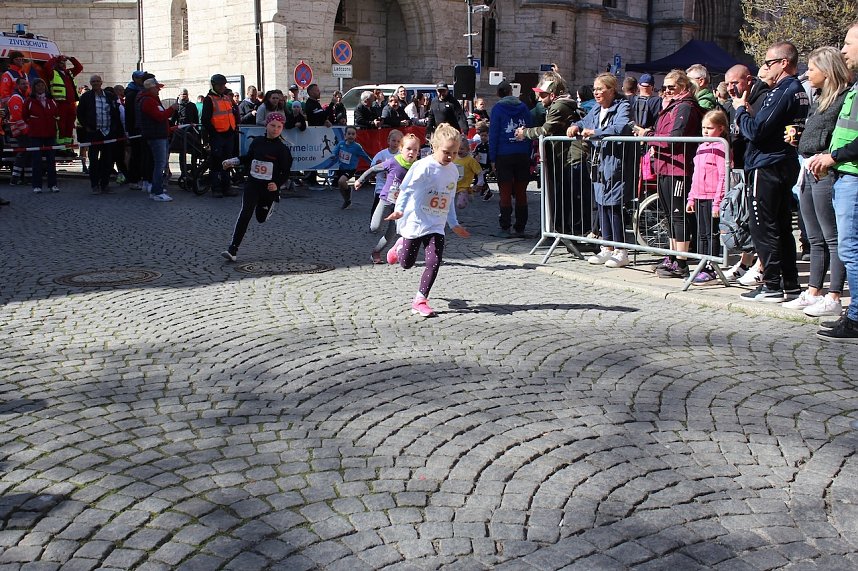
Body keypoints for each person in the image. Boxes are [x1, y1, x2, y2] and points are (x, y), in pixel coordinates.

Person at [733, 41, 809, 302]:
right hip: (778, 162)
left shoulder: (785, 91)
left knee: (764, 228)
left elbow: (756, 130)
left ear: (783, 63)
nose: (764, 67)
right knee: (781, 226)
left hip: (768, 165)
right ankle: (789, 284)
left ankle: (773, 284)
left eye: (768, 62)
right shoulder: (790, 90)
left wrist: (740, 111)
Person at [782, 46, 851, 318]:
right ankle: (813, 291)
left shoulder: (843, 98)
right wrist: (799, 137)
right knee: (813, 236)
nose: (806, 73)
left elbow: (834, 137)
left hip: (825, 170)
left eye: (811, 68)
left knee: (831, 236)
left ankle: (834, 294)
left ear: (826, 69)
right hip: (807, 167)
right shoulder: (820, 97)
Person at [384, 123, 471, 318]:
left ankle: (420, 300)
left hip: (436, 224)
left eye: (455, 153)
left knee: (434, 261)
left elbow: (448, 200)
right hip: (416, 221)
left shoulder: (453, 171)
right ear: (434, 147)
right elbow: (406, 189)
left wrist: (454, 224)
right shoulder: (422, 166)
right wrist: (399, 211)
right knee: (406, 263)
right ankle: (399, 247)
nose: (451, 157)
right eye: (447, 152)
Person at [806, 22, 858, 341]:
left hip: (851, 174)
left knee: (850, 249)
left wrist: (833, 156)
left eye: (849, 43)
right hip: (845, 174)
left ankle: (855, 317)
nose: (843, 50)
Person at [567, 73, 634, 268]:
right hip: (599, 162)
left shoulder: (622, 106)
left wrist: (596, 133)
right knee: (602, 203)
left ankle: (621, 249)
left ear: (612, 90)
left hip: (615, 159)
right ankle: (607, 246)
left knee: (614, 204)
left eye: (600, 89)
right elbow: (584, 122)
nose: (596, 93)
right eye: (595, 89)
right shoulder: (597, 109)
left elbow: (621, 127)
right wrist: (574, 126)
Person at [517, 71, 587, 235]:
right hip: (562, 157)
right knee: (561, 196)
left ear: (553, 94)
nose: (539, 99)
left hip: (567, 158)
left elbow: (546, 130)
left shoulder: (558, 106)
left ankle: (567, 231)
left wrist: (525, 133)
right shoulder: (556, 105)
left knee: (567, 197)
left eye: (542, 95)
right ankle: (559, 229)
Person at [650, 69, 705, 279]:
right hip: (665, 165)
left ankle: (681, 262)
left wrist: (649, 138)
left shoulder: (686, 106)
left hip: (679, 167)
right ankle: (673, 256)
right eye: (664, 87)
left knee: (678, 214)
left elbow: (675, 136)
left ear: (683, 86)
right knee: (668, 215)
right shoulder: (671, 105)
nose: (666, 91)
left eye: (671, 87)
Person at [220, 112, 293, 262]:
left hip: (269, 188)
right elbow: (248, 158)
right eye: (272, 125)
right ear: (266, 125)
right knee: (245, 213)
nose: (275, 129)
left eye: (279, 127)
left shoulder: (282, 149)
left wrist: (277, 184)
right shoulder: (258, 142)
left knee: (260, 218)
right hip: (253, 183)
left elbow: (286, 172)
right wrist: (232, 161)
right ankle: (233, 248)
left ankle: (270, 203)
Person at [355, 132, 421, 264]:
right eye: (408, 149)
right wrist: (360, 180)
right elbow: (373, 169)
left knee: (391, 234)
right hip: (386, 200)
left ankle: (376, 252)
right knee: (374, 227)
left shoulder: (417, 167)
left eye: (415, 150)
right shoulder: (393, 161)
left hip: (401, 206)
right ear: (400, 149)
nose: (411, 153)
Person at [686, 109, 730, 284]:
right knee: (701, 233)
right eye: (703, 128)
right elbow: (696, 175)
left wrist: (718, 202)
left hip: (713, 197)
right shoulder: (701, 147)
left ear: (720, 128)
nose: (705, 131)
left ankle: (712, 267)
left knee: (711, 233)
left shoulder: (721, 148)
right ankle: (702, 264)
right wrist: (691, 197)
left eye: (709, 128)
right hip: (699, 195)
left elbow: (722, 177)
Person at [489, 80, 533, 237]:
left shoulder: (497, 109)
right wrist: (528, 154)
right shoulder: (524, 108)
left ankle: (505, 227)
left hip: (504, 154)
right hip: (521, 153)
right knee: (521, 192)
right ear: (510, 92)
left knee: (505, 191)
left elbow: (493, 135)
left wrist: (492, 158)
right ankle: (520, 227)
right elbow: (529, 131)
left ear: (498, 93)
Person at [77, 74, 124, 194]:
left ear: (101, 82)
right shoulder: (86, 97)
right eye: (93, 81)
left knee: (107, 160)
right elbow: (80, 113)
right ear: (91, 83)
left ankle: (105, 184)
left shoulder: (110, 96)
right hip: (94, 132)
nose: (96, 83)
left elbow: (115, 113)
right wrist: (87, 127)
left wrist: (113, 128)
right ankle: (94, 185)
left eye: (98, 81)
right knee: (93, 159)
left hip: (108, 132)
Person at [137, 77, 178, 201]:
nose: (159, 90)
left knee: (160, 163)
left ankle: (157, 188)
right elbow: (159, 117)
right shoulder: (148, 101)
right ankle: (156, 192)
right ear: (151, 88)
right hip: (156, 136)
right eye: (157, 88)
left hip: (160, 135)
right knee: (159, 164)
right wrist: (172, 109)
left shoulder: (152, 100)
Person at [202, 73, 239, 197]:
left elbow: (232, 113)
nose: (223, 87)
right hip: (217, 135)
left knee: (227, 162)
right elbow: (205, 119)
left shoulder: (226, 98)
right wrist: (213, 133)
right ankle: (216, 188)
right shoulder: (209, 99)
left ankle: (226, 187)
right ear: (214, 85)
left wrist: (234, 128)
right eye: (220, 85)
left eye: (224, 84)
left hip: (229, 134)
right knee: (216, 162)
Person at [22, 78, 60, 194]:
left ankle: (52, 185)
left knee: (51, 160)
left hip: (50, 133)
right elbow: (24, 116)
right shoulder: (29, 101)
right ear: (34, 88)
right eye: (38, 86)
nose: (40, 87)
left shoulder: (51, 100)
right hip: (36, 134)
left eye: (42, 85)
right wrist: (34, 124)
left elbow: (56, 113)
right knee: (36, 161)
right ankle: (37, 185)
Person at [364, 130, 403, 227]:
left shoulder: (402, 156)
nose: (395, 143)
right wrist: (377, 166)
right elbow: (372, 168)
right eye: (393, 141)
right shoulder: (381, 154)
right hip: (382, 186)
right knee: (377, 203)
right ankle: (373, 222)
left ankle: (395, 226)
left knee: (396, 207)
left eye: (398, 141)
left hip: (396, 187)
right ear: (388, 141)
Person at [329, 126, 373, 209]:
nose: (351, 136)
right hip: (341, 168)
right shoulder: (341, 144)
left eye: (353, 134)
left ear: (356, 136)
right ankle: (347, 200)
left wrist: (373, 164)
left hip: (350, 169)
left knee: (341, 181)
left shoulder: (357, 147)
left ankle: (348, 190)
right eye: (349, 134)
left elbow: (365, 156)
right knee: (340, 185)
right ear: (345, 135)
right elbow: (335, 151)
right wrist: (333, 155)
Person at [45, 54, 84, 146]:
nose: (63, 64)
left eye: (64, 62)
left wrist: (71, 58)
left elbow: (79, 67)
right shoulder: (53, 73)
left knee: (69, 126)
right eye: (60, 63)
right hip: (59, 104)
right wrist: (55, 58)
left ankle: (68, 148)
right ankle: (60, 148)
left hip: (71, 104)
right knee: (61, 126)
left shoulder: (69, 73)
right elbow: (47, 67)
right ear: (56, 64)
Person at [7, 77, 31, 187]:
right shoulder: (16, 98)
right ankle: (15, 178)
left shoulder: (23, 97)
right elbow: (18, 116)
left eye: (26, 83)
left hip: (23, 130)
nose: (25, 85)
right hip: (21, 131)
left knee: (27, 153)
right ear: (17, 85)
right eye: (22, 84)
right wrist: (25, 130)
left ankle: (26, 178)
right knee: (23, 154)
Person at [453, 133, 483, 210]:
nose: (459, 151)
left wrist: (479, 183)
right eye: (458, 148)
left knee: (460, 205)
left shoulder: (470, 160)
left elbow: (479, 172)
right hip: (452, 186)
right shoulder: (453, 158)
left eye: (462, 149)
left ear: (468, 149)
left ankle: (468, 193)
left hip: (463, 186)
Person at [473, 120, 491, 199]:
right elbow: (475, 152)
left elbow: (491, 155)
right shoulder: (479, 145)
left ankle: (487, 191)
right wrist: (476, 156)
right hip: (480, 164)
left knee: (482, 176)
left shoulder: (490, 145)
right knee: (478, 176)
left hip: (488, 165)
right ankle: (485, 190)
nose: (483, 137)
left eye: (485, 136)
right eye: (481, 136)